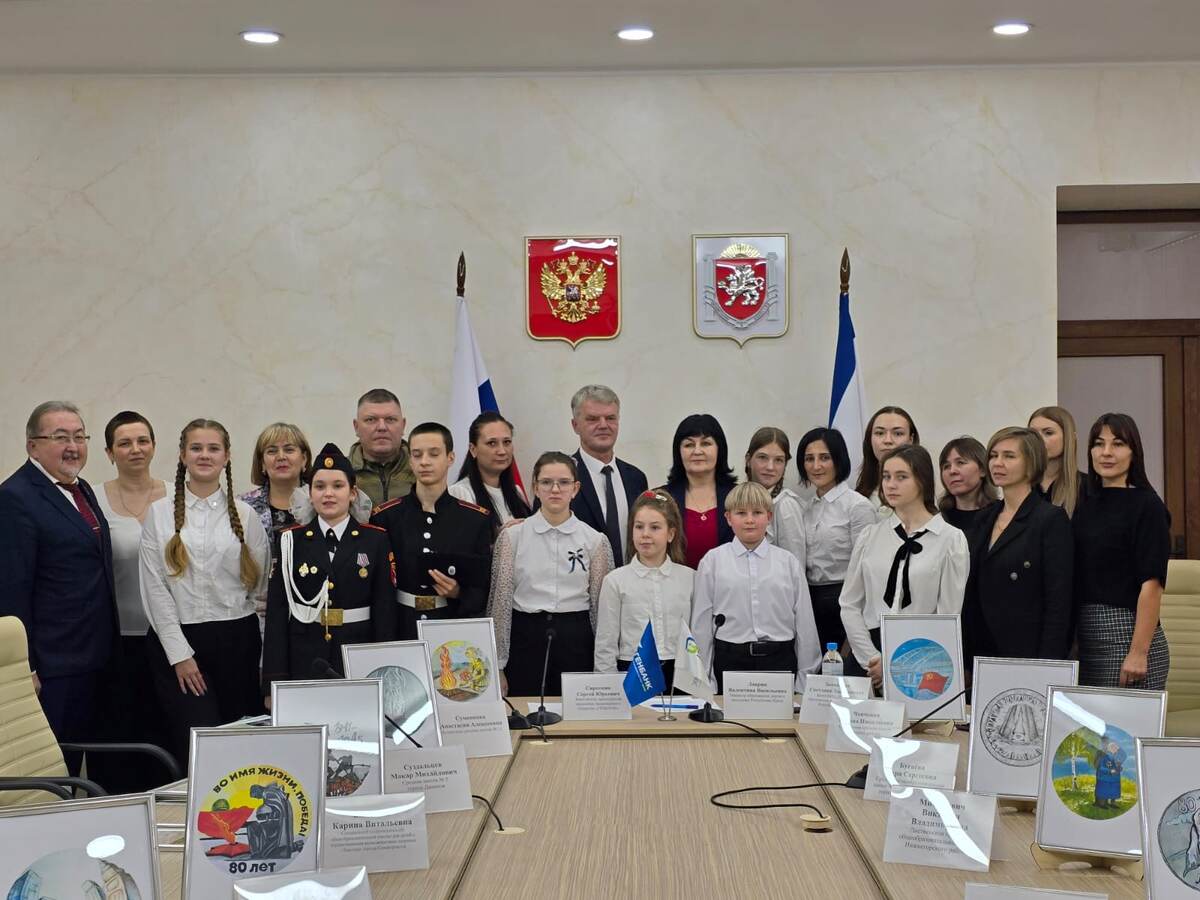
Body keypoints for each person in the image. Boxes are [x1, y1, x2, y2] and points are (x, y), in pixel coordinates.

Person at [140, 418, 269, 764]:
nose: (204, 455)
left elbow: (259, 590)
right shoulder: (159, 514)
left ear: (226, 456)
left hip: (237, 642)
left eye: (214, 448)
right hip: (180, 643)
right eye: (196, 448)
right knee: (198, 745)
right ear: (183, 455)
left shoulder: (246, 515)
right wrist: (180, 655)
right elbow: (155, 589)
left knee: (240, 744)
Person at [0, 401, 119, 753]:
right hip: (53, 668)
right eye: (60, 437)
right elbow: (11, 590)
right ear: (32, 446)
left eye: (79, 437)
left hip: (96, 657)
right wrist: (26, 668)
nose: (73, 447)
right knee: (56, 767)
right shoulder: (14, 498)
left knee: (94, 760)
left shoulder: (81, 489)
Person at [262, 443, 398, 699]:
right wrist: (273, 682)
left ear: (353, 493)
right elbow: (277, 616)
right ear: (309, 493)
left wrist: (385, 671)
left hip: (357, 655)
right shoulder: (290, 541)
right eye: (320, 486)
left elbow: (385, 612)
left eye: (338, 486)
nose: (328, 494)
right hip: (305, 658)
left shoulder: (375, 540)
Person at [840, 445, 969, 688]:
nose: (890, 485)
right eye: (886, 476)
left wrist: (899, 665)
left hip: (922, 656)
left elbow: (948, 616)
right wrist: (871, 658)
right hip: (868, 657)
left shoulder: (950, 539)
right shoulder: (870, 535)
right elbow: (849, 604)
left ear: (922, 480)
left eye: (901, 477)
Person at [488, 451, 614, 696]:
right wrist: (498, 664)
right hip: (526, 638)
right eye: (546, 482)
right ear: (535, 488)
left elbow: (601, 609)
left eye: (564, 482)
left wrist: (603, 669)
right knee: (525, 709)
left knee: (573, 712)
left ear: (575, 488)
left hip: (576, 639)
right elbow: (500, 603)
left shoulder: (595, 541)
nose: (555, 489)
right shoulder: (513, 537)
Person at [91, 411, 170, 789]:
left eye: (142, 441)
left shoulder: (177, 496)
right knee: (121, 733)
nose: (135, 449)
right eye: (124, 443)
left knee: (166, 731)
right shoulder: (92, 499)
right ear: (109, 452)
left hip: (171, 638)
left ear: (154, 446)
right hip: (117, 641)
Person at [690, 482, 821, 694]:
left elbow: (805, 623)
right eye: (741, 513)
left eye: (757, 513)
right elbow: (701, 624)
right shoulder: (712, 561)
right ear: (728, 518)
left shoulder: (788, 562)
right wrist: (705, 680)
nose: (749, 520)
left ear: (769, 517)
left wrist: (805, 681)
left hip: (779, 660)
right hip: (730, 660)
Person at [1074, 413, 1171, 690]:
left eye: (1117, 444)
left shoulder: (1148, 506)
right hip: (1085, 637)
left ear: (1133, 452)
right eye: (1098, 443)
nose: (1106, 452)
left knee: (1124, 721)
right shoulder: (1085, 503)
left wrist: (1139, 652)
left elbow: (1152, 585)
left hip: (1127, 634)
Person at [370, 422, 493, 640]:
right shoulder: (386, 517)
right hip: (402, 628)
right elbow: (378, 586)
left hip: (452, 630)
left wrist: (459, 592)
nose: (424, 462)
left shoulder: (475, 520)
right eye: (417, 455)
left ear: (450, 458)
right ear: (410, 460)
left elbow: (483, 588)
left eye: (434, 454)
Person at [963, 427, 1073, 661]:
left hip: (1028, 651)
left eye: (1009, 456)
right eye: (993, 456)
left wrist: (1048, 662)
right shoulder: (984, 517)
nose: (997, 463)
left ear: (1031, 464)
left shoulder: (1049, 519)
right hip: (983, 651)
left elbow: (1059, 601)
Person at [594, 490, 694, 682]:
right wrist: (608, 686)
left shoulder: (690, 579)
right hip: (634, 669)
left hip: (680, 670)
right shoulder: (615, 581)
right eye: (639, 527)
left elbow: (699, 636)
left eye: (655, 527)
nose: (645, 534)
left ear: (671, 534)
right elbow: (606, 643)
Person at [796, 427, 876, 653]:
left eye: (824, 458)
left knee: (842, 669)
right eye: (809, 459)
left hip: (845, 601)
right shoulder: (806, 508)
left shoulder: (858, 506)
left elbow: (866, 569)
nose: (816, 466)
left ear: (839, 460)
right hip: (810, 600)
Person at [568, 385, 648, 566]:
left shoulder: (636, 478)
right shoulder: (561, 478)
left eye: (610, 418)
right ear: (575, 425)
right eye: (592, 419)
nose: (603, 425)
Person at [663, 413, 737, 570]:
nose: (697, 451)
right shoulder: (661, 499)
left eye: (706, 443)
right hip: (675, 585)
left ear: (720, 449)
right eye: (689, 445)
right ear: (678, 452)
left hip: (727, 584)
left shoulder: (738, 497)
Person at [449, 411, 531, 534]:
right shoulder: (460, 492)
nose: (502, 451)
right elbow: (460, 543)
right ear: (473, 449)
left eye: (507, 442)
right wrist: (500, 537)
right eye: (492, 443)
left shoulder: (517, 491)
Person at [240, 422, 314, 545]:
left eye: (289, 450)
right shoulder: (243, 507)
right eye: (272, 451)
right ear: (262, 463)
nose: (281, 457)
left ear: (304, 459)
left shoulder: (320, 501)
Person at [744, 426, 805, 564]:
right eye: (762, 458)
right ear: (748, 459)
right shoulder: (740, 498)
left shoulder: (786, 505)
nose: (770, 467)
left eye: (778, 460)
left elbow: (795, 565)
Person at [349, 388, 415, 506]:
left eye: (390, 419)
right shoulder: (341, 474)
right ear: (356, 427)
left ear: (403, 425)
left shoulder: (421, 471)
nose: (382, 427)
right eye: (371, 420)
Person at [854, 406, 919, 517]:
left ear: (910, 440)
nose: (888, 440)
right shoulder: (860, 492)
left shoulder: (920, 488)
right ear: (870, 439)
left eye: (898, 433)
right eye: (880, 433)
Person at [937, 436, 1001, 544]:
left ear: (983, 470)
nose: (952, 471)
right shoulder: (939, 520)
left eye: (960, 463)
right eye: (946, 466)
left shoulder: (1000, 514)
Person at [1029, 405, 1085, 517]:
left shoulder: (1087, 489)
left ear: (1069, 437)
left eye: (1048, 433)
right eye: (1033, 434)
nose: (1039, 440)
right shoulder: (1022, 488)